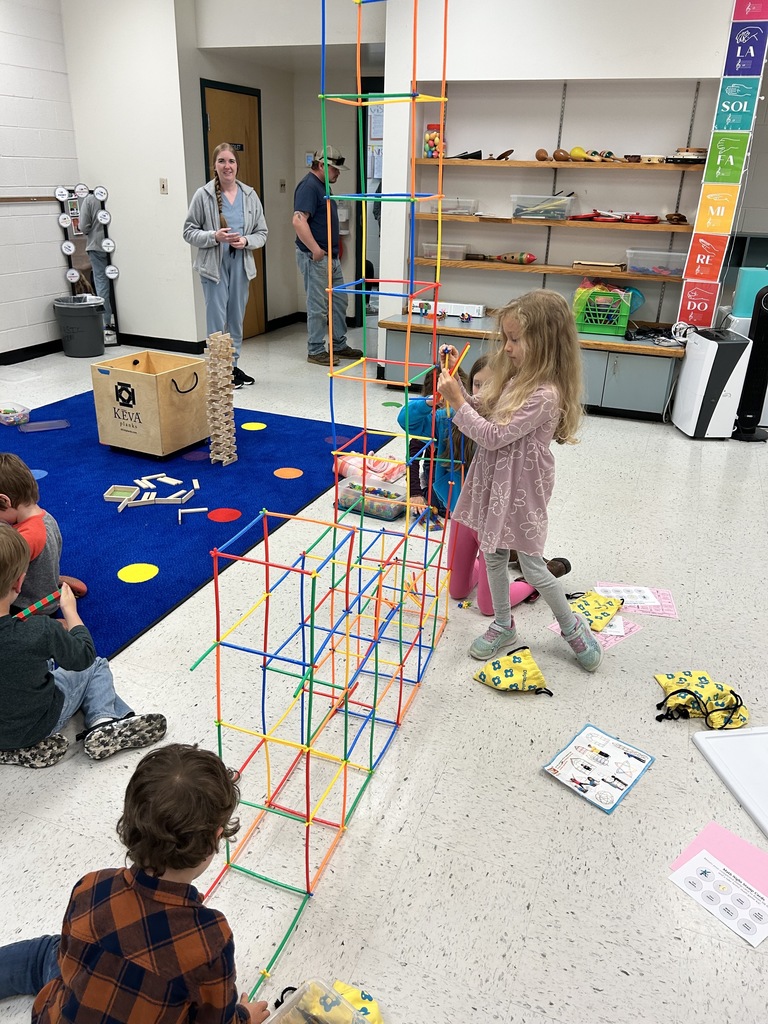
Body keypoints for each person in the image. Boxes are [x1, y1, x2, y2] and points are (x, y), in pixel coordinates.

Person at [0, 743, 271, 1024]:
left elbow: (68, 961)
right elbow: (213, 1020)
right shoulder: (211, 938)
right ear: (215, 838)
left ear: (130, 821)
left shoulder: (91, 886)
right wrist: (243, 1017)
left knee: (47, 951)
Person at [436, 290, 602, 671]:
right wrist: (458, 393)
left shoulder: (546, 393)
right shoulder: (516, 379)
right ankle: (503, 625)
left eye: (515, 339)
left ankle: (571, 626)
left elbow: (493, 435)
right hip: (495, 481)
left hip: (521, 489)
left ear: (544, 343)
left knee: (531, 566)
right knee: (492, 555)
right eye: (506, 338)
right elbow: (486, 407)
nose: (507, 348)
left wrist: (459, 405)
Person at [399, 358, 570, 615]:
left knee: (488, 606)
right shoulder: (450, 418)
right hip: (461, 514)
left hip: (492, 520)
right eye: (477, 385)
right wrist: (430, 402)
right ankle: (509, 563)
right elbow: (407, 422)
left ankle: (530, 582)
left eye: (490, 387)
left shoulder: (505, 428)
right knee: (456, 590)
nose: (481, 394)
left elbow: (498, 443)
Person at [0, 527, 167, 769]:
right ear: (19, 583)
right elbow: (83, 658)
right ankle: (103, 722)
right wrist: (70, 611)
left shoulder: (35, 632)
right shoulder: (40, 630)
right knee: (95, 666)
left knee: (35, 663)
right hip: (38, 722)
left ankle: (12, 749)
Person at [183, 143, 269, 389]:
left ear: (237, 166)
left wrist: (246, 241)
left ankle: (232, 366)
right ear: (215, 166)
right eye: (221, 161)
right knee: (216, 320)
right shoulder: (203, 195)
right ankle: (217, 371)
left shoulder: (250, 196)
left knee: (235, 319)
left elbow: (262, 232)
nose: (227, 166)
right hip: (214, 267)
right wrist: (214, 237)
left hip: (240, 265)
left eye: (231, 161)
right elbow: (188, 232)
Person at [292, 145, 363, 366]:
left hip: (329, 258)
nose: (338, 173)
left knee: (339, 301)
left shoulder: (322, 186)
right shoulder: (309, 186)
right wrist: (315, 249)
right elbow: (298, 220)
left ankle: (339, 344)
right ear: (322, 165)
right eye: (334, 169)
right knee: (318, 305)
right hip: (316, 258)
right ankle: (315, 350)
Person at [0, 452, 87, 612]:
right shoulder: (44, 517)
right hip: (41, 585)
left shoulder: (25, 538)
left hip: (30, 608)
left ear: (5, 501)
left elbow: (5, 574)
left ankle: (59, 623)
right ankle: (52, 582)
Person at [77, 191, 115, 342]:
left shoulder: (90, 198)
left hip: (97, 246)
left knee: (101, 283)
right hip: (116, 245)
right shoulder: (115, 194)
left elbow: (83, 226)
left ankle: (107, 322)